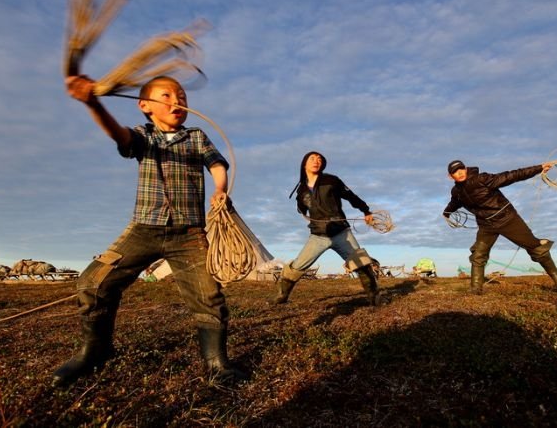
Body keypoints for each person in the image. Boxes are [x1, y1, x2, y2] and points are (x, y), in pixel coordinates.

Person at [53, 75, 244, 386]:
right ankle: (95, 351)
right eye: (166, 95)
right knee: (93, 282)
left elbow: (217, 164)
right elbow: (120, 136)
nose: (176, 101)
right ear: (144, 105)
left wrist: (220, 189)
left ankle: (216, 363)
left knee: (208, 296)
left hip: (189, 233)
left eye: (181, 95)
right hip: (143, 229)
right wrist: (93, 102)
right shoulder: (143, 136)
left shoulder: (196, 136)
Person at [442, 160, 557, 294]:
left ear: (466, 169)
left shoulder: (482, 179)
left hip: (507, 220)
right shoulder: (456, 191)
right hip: (486, 226)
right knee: (478, 254)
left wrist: (539, 168)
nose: (460, 172)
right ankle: (475, 288)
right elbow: (454, 203)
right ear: (450, 176)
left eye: (461, 169)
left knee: (535, 248)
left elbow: (512, 175)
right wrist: (446, 212)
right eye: (455, 171)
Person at [271, 151, 381, 306]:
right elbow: (301, 208)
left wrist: (365, 210)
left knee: (361, 263)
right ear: (304, 164)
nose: (317, 161)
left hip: (341, 232)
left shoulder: (332, 180)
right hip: (318, 235)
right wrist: (300, 204)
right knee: (297, 266)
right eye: (312, 158)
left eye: (320, 159)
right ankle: (282, 296)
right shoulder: (301, 189)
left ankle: (374, 297)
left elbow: (351, 196)